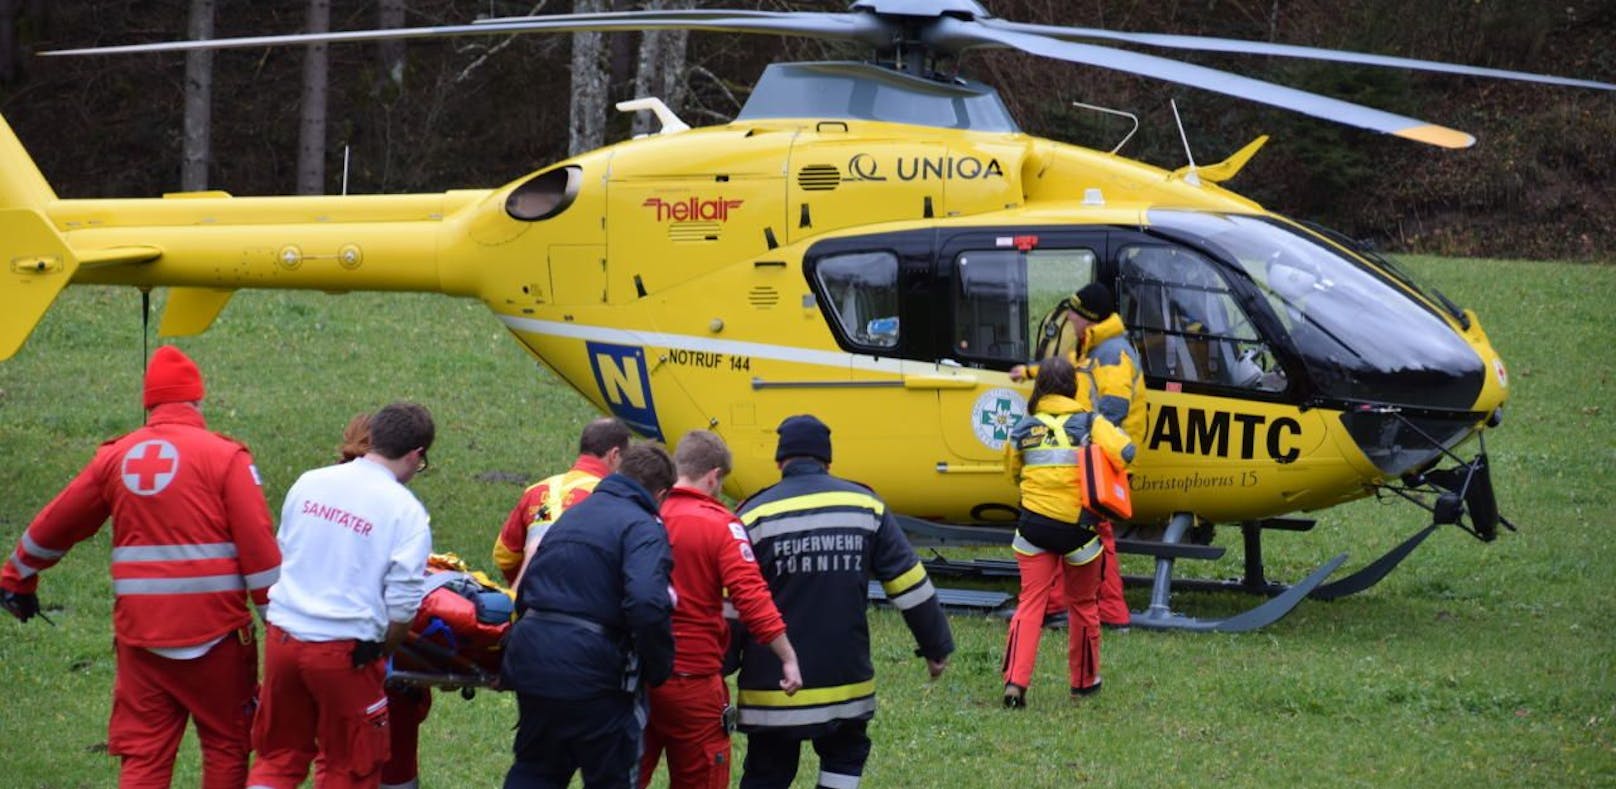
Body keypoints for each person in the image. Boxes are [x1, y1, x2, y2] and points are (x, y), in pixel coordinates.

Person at [0, 345, 281, 788]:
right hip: (217, 637)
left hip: (141, 640)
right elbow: (259, 547)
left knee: (144, 756)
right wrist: (278, 621)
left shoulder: (116, 457)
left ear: (148, 404)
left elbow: (55, 524)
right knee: (226, 746)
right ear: (196, 401)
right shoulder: (225, 458)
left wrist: (17, 576)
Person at [733, 414, 954, 789]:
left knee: (768, 769)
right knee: (845, 756)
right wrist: (936, 646)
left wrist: (719, 665)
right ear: (828, 460)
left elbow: (736, 600)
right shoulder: (865, 507)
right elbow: (909, 583)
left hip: (773, 686)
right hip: (845, 684)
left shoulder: (753, 515)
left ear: (780, 461)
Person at [249, 402, 436, 789]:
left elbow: (286, 551)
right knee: (349, 765)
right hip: (344, 652)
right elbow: (402, 607)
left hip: (283, 639)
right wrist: (382, 650)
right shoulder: (405, 511)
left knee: (278, 757)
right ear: (416, 454)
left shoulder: (310, 482)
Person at [501, 442, 677, 789]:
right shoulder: (642, 527)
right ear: (661, 493)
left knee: (536, 768)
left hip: (532, 659)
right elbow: (646, 602)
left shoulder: (573, 515)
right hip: (593, 673)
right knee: (609, 775)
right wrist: (658, 664)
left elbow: (529, 582)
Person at [638, 430, 803, 789]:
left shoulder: (643, 514)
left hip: (636, 675)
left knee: (625, 775)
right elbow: (751, 596)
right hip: (691, 680)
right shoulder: (720, 524)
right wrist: (787, 655)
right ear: (713, 476)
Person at [1000, 358, 1136, 707]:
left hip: (1033, 528)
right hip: (1079, 530)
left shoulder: (1022, 428)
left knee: (1030, 604)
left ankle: (1015, 684)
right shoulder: (1091, 422)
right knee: (1084, 605)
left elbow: (1012, 473)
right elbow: (1127, 452)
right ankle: (1083, 684)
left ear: (1041, 387)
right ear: (1073, 387)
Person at [1010, 282, 1145, 629]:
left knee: (1088, 532)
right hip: (1092, 457)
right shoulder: (1094, 348)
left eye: (1074, 312)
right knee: (1082, 530)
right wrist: (1027, 371)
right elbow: (1063, 368)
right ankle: (1100, 611)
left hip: (1099, 460)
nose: (1068, 317)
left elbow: (1113, 411)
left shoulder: (1112, 354)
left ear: (1088, 318)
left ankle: (1105, 612)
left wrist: (1081, 435)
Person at [493, 417, 631, 585]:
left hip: (530, 602)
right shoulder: (613, 498)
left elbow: (504, 556)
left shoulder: (537, 491)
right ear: (614, 455)